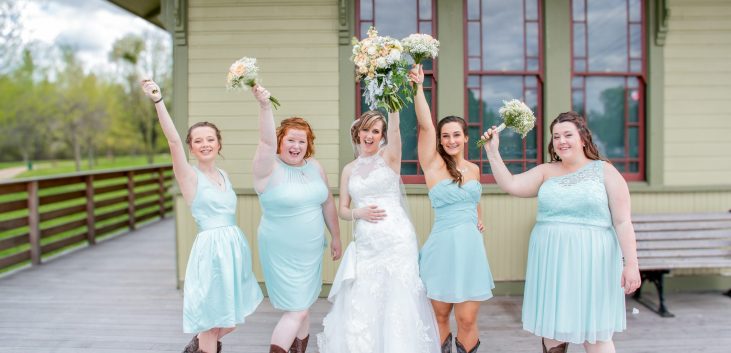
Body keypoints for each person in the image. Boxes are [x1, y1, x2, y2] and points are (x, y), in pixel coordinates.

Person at [481, 111, 641, 353]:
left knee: (594, 332)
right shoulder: (546, 171)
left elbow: (623, 222)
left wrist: (631, 264)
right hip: (552, 260)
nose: (561, 141)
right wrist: (493, 152)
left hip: (593, 261)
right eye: (556, 136)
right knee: (554, 331)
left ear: (583, 139)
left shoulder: (605, 171)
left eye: (568, 135)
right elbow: (511, 184)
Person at [141, 80, 263, 353]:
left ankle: (197, 346)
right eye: (198, 141)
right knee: (212, 320)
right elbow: (173, 140)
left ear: (219, 144)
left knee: (232, 318)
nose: (205, 144)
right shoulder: (188, 176)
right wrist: (158, 101)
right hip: (210, 252)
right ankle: (204, 345)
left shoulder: (224, 176)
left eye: (210, 139)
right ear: (192, 148)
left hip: (233, 249)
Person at [317, 109, 440, 353]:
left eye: (376, 131)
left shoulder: (389, 158)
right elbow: (342, 209)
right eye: (366, 130)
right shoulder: (349, 169)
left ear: (383, 136)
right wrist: (358, 213)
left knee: (397, 297)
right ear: (357, 133)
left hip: (396, 241)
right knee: (364, 296)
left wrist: (393, 107)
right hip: (366, 244)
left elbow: (396, 131)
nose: (370, 136)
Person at [251, 85, 342, 353]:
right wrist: (265, 106)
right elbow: (265, 142)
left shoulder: (314, 167)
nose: (296, 146)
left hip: (312, 251)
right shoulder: (267, 168)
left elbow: (327, 201)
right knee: (298, 309)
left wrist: (336, 236)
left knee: (302, 308)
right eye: (291, 139)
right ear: (280, 140)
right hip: (282, 252)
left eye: (302, 141)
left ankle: (298, 349)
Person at [410, 65, 495, 353]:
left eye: (456, 135)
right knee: (440, 314)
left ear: (465, 138)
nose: (450, 140)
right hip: (442, 248)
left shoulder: (473, 169)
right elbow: (425, 126)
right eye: (445, 136)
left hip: (470, 249)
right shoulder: (432, 164)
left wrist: (478, 220)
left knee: (467, 318)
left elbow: (474, 200)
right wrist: (419, 88)